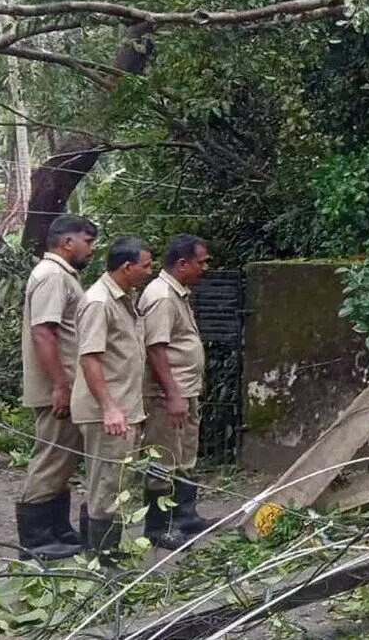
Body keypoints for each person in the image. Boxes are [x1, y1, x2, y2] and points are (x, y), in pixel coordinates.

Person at [16, 214, 99, 561]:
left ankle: (57, 530)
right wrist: (60, 386)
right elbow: (43, 332)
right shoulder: (51, 276)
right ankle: (35, 539)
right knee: (51, 457)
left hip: (65, 384)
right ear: (67, 242)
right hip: (57, 387)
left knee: (63, 458)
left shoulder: (61, 275)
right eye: (88, 241)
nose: (92, 248)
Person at [71, 235, 155, 560]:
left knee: (117, 481)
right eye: (146, 266)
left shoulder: (125, 297)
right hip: (108, 411)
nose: (151, 271)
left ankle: (106, 550)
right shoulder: (99, 302)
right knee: (106, 483)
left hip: (126, 408)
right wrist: (109, 407)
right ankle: (100, 557)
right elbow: (89, 358)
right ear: (127, 266)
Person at [140, 235, 215, 549]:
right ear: (182, 264)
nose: (205, 268)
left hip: (184, 390)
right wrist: (171, 394)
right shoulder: (161, 296)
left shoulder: (177, 293)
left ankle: (185, 515)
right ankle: (157, 527)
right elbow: (155, 349)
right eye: (201, 262)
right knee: (163, 457)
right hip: (165, 395)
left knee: (184, 454)